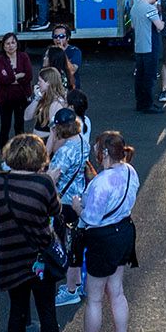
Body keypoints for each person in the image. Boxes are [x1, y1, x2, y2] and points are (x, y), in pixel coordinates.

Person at [0, 133, 78, 332]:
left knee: (17, 312)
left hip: (11, 256)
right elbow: (56, 212)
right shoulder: (43, 183)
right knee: (47, 313)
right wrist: (50, 182)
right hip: (40, 257)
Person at [67, 131, 140, 332]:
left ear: (105, 153)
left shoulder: (101, 182)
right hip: (124, 232)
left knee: (95, 298)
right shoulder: (130, 171)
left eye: (98, 148)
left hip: (103, 239)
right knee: (116, 291)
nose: (95, 152)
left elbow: (91, 218)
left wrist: (78, 207)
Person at [45, 109, 92, 307]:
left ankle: (71, 290)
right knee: (76, 242)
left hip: (63, 202)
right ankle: (77, 283)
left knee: (67, 246)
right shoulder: (83, 141)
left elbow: (52, 177)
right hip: (79, 196)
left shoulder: (65, 151)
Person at [131, 0, 163, 113]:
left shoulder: (135, 7)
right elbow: (159, 26)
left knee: (140, 76)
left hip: (138, 45)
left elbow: (133, 26)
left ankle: (140, 103)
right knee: (149, 77)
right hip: (150, 45)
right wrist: (163, 22)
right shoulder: (150, 9)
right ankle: (148, 104)